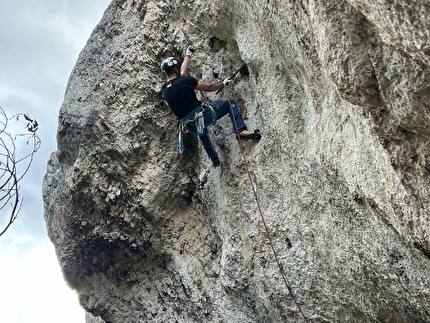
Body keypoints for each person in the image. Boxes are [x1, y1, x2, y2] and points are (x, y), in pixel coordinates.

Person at [161, 46, 261, 167]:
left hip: (190, 125)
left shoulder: (165, 90)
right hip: (203, 115)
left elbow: (180, 75)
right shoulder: (185, 81)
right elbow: (208, 87)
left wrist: (188, 55)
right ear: (176, 69)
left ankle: (214, 159)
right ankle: (240, 131)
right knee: (230, 103)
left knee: (201, 129)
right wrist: (222, 85)